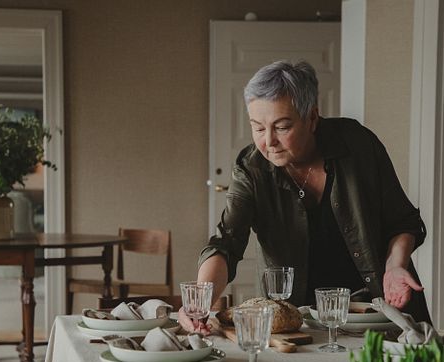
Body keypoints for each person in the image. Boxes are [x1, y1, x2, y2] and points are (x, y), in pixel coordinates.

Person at [179, 60, 431, 334]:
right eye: (258, 128)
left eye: (282, 126)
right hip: (301, 323)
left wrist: (395, 266)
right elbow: (226, 243)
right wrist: (201, 302)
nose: (268, 142)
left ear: (312, 118)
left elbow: (403, 221)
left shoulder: (358, 144)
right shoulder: (250, 168)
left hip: (381, 310)